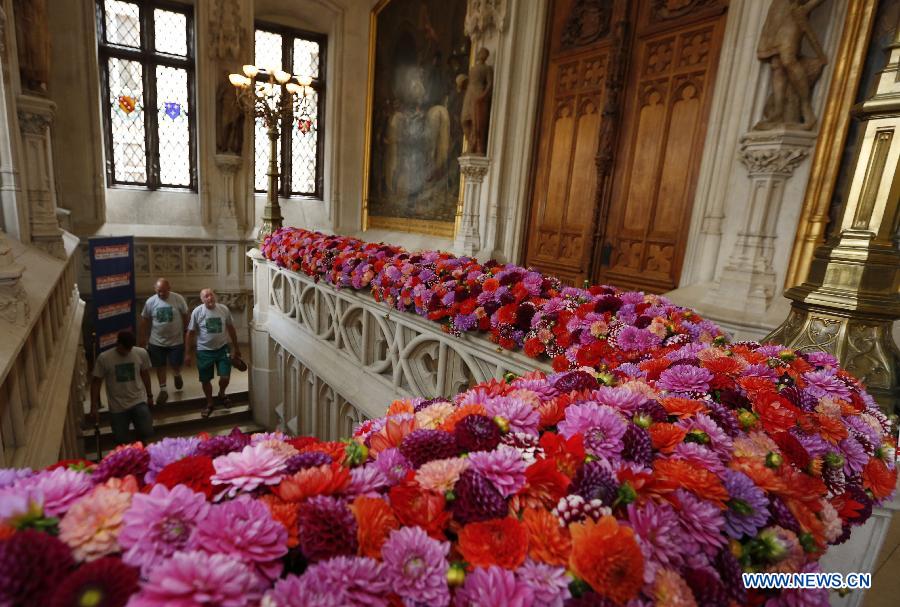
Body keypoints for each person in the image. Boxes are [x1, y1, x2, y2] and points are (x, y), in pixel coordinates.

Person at [184, 288, 242, 418]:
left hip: (222, 349)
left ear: (214, 296)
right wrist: (187, 353)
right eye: (205, 296)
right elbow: (190, 333)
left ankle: (222, 393)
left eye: (210, 295)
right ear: (202, 299)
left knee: (225, 377)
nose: (209, 298)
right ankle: (210, 403)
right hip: (204, 351)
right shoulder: (197, 312)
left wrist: (236, 348)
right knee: (206, 379)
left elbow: (231, 329)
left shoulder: (223, 309)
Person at [90, 330, 154, 445]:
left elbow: (145, 374)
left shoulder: (141, 353)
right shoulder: (104, 358)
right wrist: (94, 405)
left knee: (146, 430)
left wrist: (149, 395)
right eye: (125, 349)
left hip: (138, 400)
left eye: (130, 349)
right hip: (118, 406)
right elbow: (96, 382)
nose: (127, 352)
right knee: (120, 439)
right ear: (118, 344)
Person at [139, 278, 189, 406]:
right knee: (160, 365)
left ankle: (177, 374)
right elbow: (144, 319)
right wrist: (143, 338)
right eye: (158, 291)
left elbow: (185, 315)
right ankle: (163, 390)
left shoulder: (178, 299)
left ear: (169, 288)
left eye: (164, 291)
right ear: (155, 289)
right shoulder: (151, 302)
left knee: (175, 364)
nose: (161, 294)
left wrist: (186, 331)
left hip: (176, 340)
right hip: (156, 341)